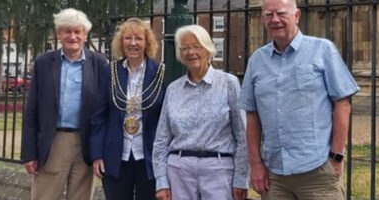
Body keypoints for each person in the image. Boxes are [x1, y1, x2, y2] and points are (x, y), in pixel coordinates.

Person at [238, 0, 360, 199]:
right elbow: (252, 116)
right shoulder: (257, 60)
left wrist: (336, 157)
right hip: (275, 174)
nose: (275, 20)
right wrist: (256, 164)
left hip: (317, 170)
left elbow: (343, 105)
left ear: (297, 16)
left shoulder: (322, 50)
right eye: (268, 15)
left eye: (281, 13)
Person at [152, 24, 249, 200]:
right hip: (179, 171)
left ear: (208, 49)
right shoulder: (173, 89)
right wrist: (161, 182)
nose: (191, 52)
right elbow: (161, 140)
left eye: (197, 46)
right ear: (180, 54)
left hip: (219, 171)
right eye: (185, 48)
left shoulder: (229, 84)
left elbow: (242, 135)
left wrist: (241, 179)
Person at [22, 8, 107, 200]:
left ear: (85, 35)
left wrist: (100, 151)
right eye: (67, 31)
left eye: (78, 31)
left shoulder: (99, 63)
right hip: (53, 143)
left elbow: (104, 111)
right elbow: (32, 111)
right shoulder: (44, 63)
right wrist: (29, 153)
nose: (73, 36)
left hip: (85, 144)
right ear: (58, 34)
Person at [90, 18, 165, 200]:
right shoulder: (110, 71)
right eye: (128, 38)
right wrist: (97, 155)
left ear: (147, 42)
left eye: (138, 38)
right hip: (116, 156)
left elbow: (165, 118)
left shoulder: (160, 72)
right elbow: (99, 116)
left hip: (148, 158)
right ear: (120, 41)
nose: (133, 43)